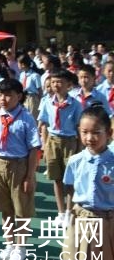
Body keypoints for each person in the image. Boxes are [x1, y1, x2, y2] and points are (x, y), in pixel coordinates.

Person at [0, 79, 41, 260]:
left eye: (8, 95)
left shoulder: (26, 119)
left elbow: (34, 149)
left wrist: (29, 176)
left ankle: (21, 246)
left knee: (21, 209)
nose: (3, 99)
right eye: (0, 95)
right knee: (5, 208)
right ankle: (9, 243)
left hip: (19, 166)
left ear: (19, 96)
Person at [62, 106, 114, 260]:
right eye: (84, 132)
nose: (89, 138)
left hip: (108, 220)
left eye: (96, 132)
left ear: (109, 133)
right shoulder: (75, 161)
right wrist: (68, 213)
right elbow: (70, 189)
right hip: (82, 217)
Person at [38, 69, 83, 227]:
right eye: (53, 82)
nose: (56, 85)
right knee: (56, 178)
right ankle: (61, 212)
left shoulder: (75, 104)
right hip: (53, 141)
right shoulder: (47, 102)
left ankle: (70, 211)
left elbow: (79, 127)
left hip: (70, 141)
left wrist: (79, 148)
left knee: (69, 180)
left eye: (60, 82)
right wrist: (44, 145)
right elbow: (43, 124)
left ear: (68, 85)